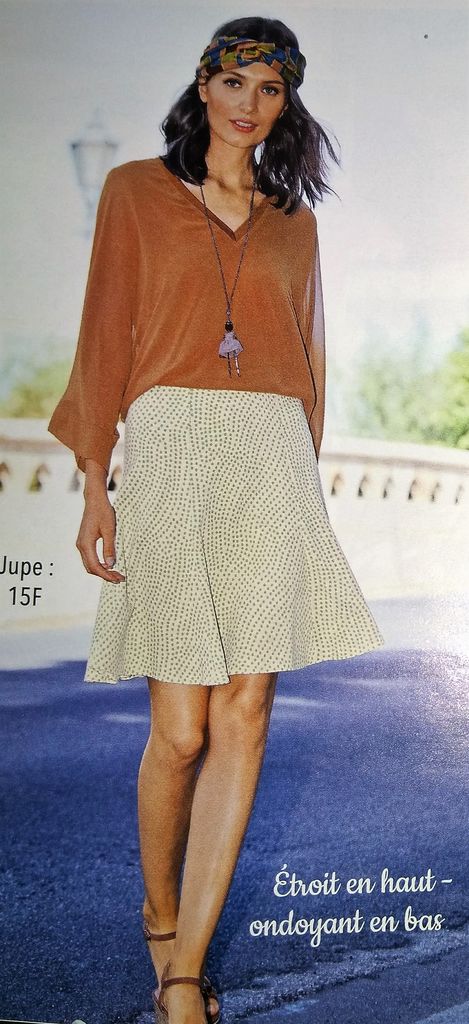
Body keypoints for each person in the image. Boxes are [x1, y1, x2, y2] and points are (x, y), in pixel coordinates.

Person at [48, 16, 385, 1024]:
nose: (249, 103)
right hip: (173, 448)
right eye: (234, 81)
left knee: (246, 714)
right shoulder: (135, 193)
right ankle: (160, 913)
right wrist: (96, 482)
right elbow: (104, 338)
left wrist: (299, 482)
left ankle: (185, 971)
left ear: (285, 104)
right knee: (180, 730)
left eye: (269, 89)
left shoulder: (295, 223)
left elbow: (308, 362)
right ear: (203, 86)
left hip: (269, 456)